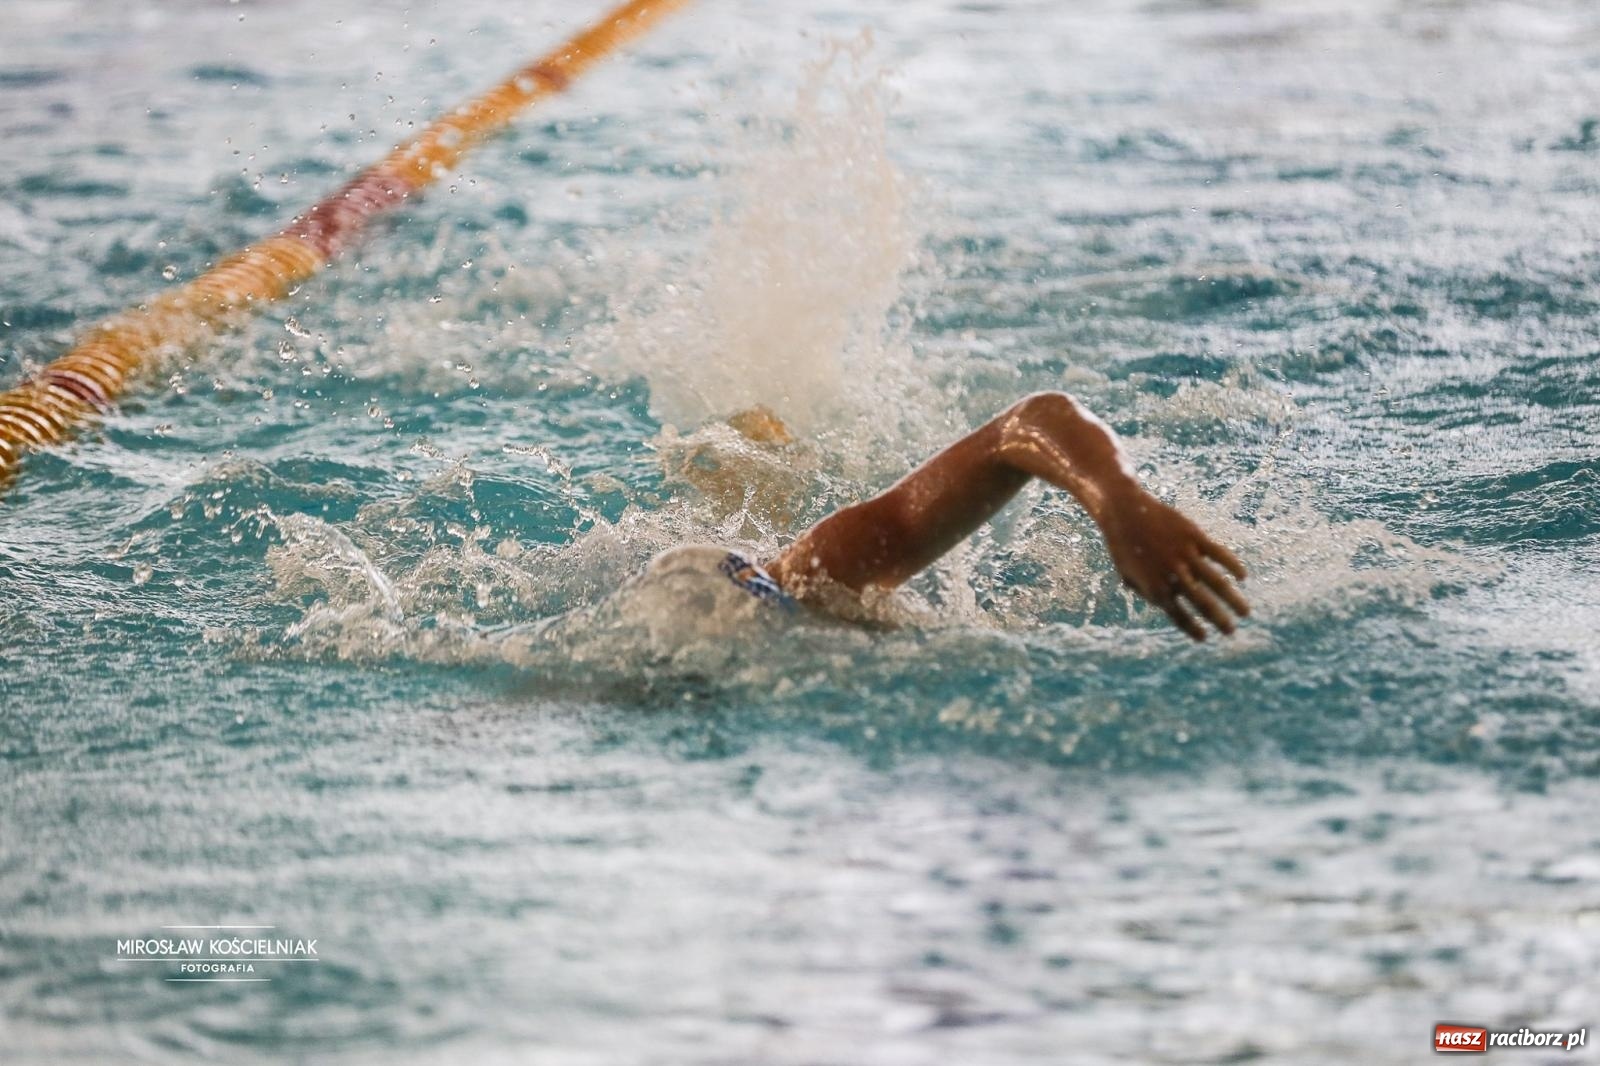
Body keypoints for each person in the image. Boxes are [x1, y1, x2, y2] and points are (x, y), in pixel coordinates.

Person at [645, 391, 1249, 641]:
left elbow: (1034, 419)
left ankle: (757, 460)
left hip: (767, 571)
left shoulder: (807, 588)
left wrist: (1122, 503)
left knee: (778, 532)